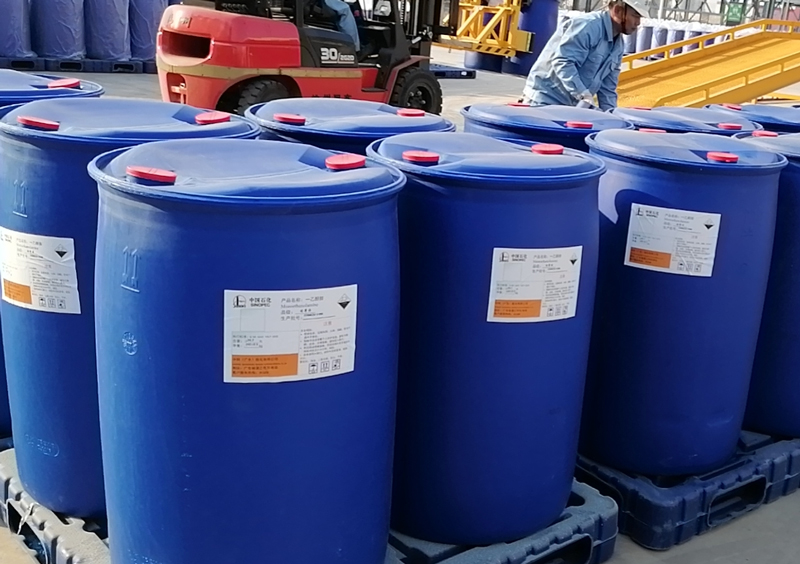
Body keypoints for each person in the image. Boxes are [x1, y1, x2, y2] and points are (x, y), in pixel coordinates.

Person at [521, 0, 648, 111]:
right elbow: (563, 62)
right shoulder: (588, 26)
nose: (638, 23)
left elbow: (607, 89)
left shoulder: (618, 45)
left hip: (571, 106)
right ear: (618, 11)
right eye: (635, 16)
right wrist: (583, 94)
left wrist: (611, 116)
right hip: (544, 101)